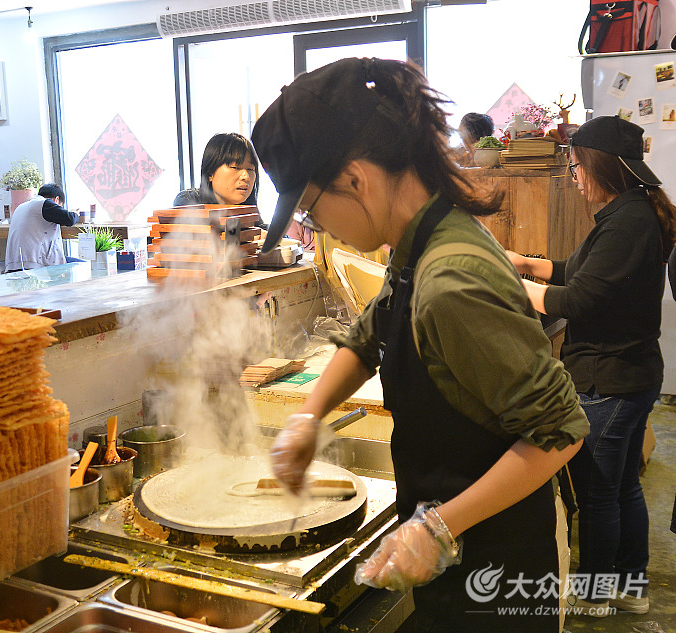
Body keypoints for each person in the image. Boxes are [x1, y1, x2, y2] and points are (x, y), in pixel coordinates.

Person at [251, 58, 588, 632]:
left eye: (311, 209)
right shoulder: (419, 238)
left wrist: (440, 526)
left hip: (497, 570)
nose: (319, 229)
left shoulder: (450, 279)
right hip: (460, 557)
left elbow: (561, 433)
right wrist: (307, 415)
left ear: (356, 180)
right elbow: (370, 332)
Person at [510, 116, 676, 617]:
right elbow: (579, 271)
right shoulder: (626, 214)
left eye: (577, 165)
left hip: (610, 381)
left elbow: (576, 300)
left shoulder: (627, 223)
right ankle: (630, 586)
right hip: (633, 374)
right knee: (623, 484)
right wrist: (523, 262)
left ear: (602, 166)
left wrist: (506, 282)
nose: (574, 176)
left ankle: (597, 595)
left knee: (599, 492)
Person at [174, 132, 267, 227]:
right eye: (235, 167)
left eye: (250, 169)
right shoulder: (189, 201)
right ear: (210, 173)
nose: (246, 176)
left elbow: (264, 229)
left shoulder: (249, 212)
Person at [4, 183, 80, 271]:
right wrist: (75, 213)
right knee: (83, 266)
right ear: (56, 199)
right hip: (34, 264)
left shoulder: (21, 206)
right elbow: (69, 219)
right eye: (60, 206)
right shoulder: (44, 204)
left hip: (14, 264)